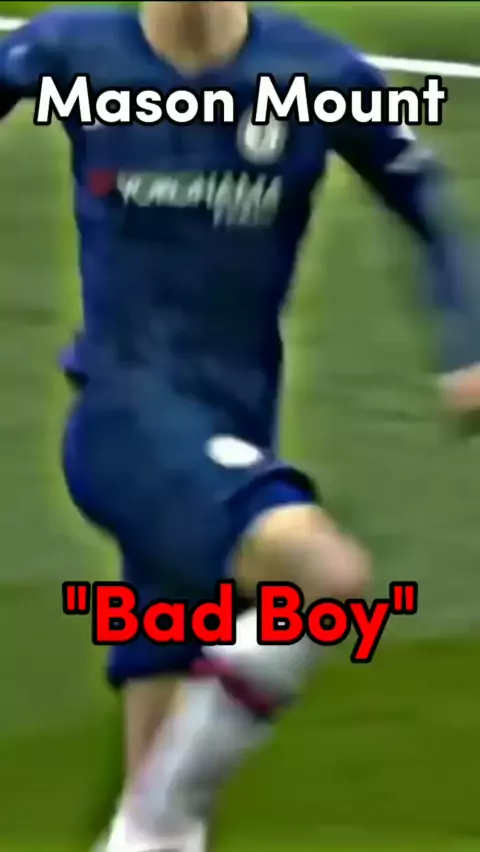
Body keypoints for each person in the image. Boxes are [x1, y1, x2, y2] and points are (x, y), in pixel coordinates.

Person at [1, 2, 480, 850]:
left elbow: (425, 197)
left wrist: (467, 343)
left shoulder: (316, 72)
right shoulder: (74, 51)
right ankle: (150, 824)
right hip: (125, 424)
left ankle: (149, 829)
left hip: (234, 431)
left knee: (167, 783)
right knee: (322, 576)